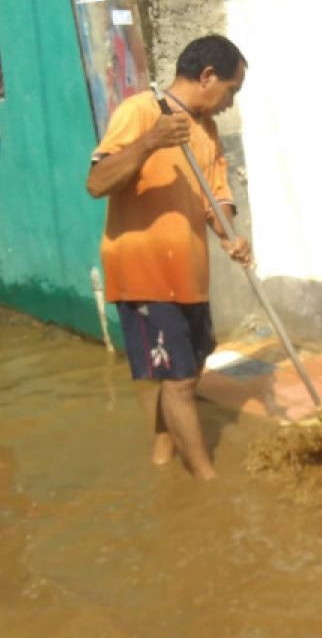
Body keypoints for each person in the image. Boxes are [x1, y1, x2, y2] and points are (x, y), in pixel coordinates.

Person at [86, 34, 252, 481]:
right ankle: (206, 483)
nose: (228, 103)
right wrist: (150, 142)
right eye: (231, 91)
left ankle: (162, 458)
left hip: (188, 273)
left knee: (190, 370)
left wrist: (230, 235)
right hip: (142, 270)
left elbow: (217, 197)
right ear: (207, 76)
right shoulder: (141, 111)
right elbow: (97, 182)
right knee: (178, 380)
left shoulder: (208, 130)